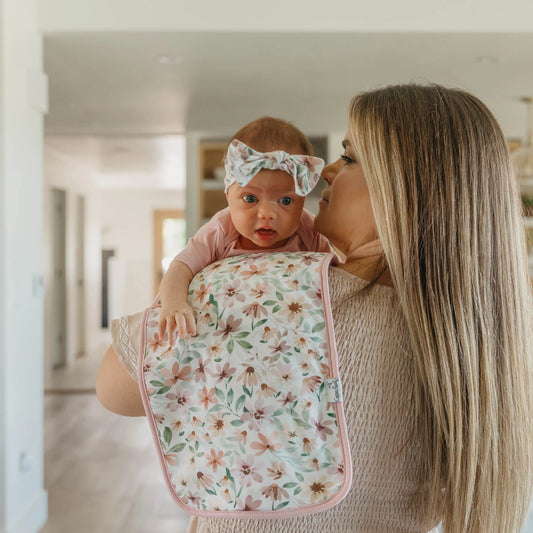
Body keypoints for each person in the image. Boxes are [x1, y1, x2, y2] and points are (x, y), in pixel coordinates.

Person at [96, 83, 533, 533]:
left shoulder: (253, 287)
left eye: (350, 157)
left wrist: (196, 278)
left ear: (404, 188)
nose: (327, 171)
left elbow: (113, 388)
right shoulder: (473, 342)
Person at [158, 117, 331, 344]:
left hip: (288, 336)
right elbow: (180, 268)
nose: (267, 213)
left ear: (303, 200)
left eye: (286, 201)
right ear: (228, 194)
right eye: (250, 198)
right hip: (228, 334)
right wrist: (174, 303)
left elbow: (335, 276)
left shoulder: (308, 230)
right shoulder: (221, 229)